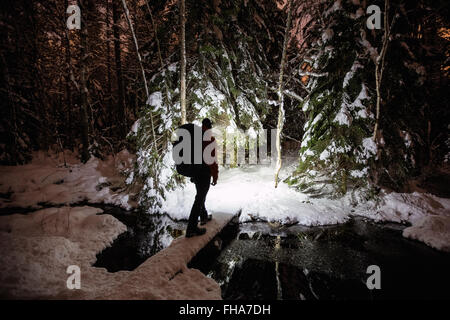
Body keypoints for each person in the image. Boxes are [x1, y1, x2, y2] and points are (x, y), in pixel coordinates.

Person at [186, 118, 219, 238]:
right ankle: (191, 228)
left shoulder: (195, 138)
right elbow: (213, 161)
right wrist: (215, 176)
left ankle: (204, 216)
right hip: (204, 173)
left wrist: (192, 173)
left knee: (200, 195)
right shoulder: (210, 140)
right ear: (210, 127)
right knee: (199, 199)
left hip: (195, 172)